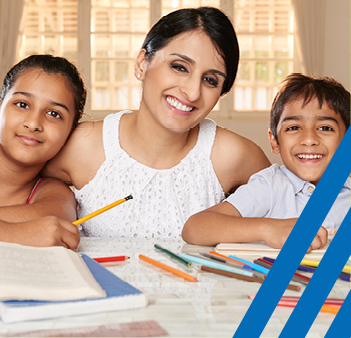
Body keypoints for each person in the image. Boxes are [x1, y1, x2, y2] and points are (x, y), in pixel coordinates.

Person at [44, 7, 270, 239]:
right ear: (142, 63)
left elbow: (294, 214)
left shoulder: (234, 155)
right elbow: (12, 182)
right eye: (179, 67)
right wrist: (54, 198)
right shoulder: (83, 144)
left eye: (210, 80)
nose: (192, 93)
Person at [182, 73, 350, 250]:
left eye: (325, 128)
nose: (309, 139)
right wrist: (268, 229)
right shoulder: (270, 186)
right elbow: (194, 228)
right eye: (293, 128)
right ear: (274, 141)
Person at [0, 54, 86, 248]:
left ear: (70, 132)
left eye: (54, 114)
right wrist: (15, 233)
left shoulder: (53, 193)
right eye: (22, 104)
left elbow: (53, 227)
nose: (33, 123)